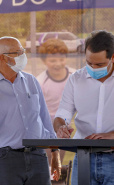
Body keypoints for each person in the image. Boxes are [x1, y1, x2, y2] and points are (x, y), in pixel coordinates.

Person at [0, 36, 61, 185]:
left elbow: (44, 118)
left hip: (38, 156)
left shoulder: (31, 81)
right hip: (6, 160)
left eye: (23, 51)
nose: (23, 56)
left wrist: (55, 152)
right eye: (18, 52)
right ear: (3, 58)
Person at [53, 30, 114, 185]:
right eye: (89, 63)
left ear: (113, 58)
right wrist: (60, 127)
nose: (93, 68)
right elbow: (62, 114)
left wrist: (111, 135)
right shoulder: (76, 79)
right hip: (84, 158)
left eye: (99, 64)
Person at [36, 38, 75, 164]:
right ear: (44, 61)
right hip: (47, 127)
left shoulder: (74, 76)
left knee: (60, 158)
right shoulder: (40, 81)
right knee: (49, 159)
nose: (57, 63)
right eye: (52, 60)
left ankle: (58, 179)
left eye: (61, 59)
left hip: (65, 125)